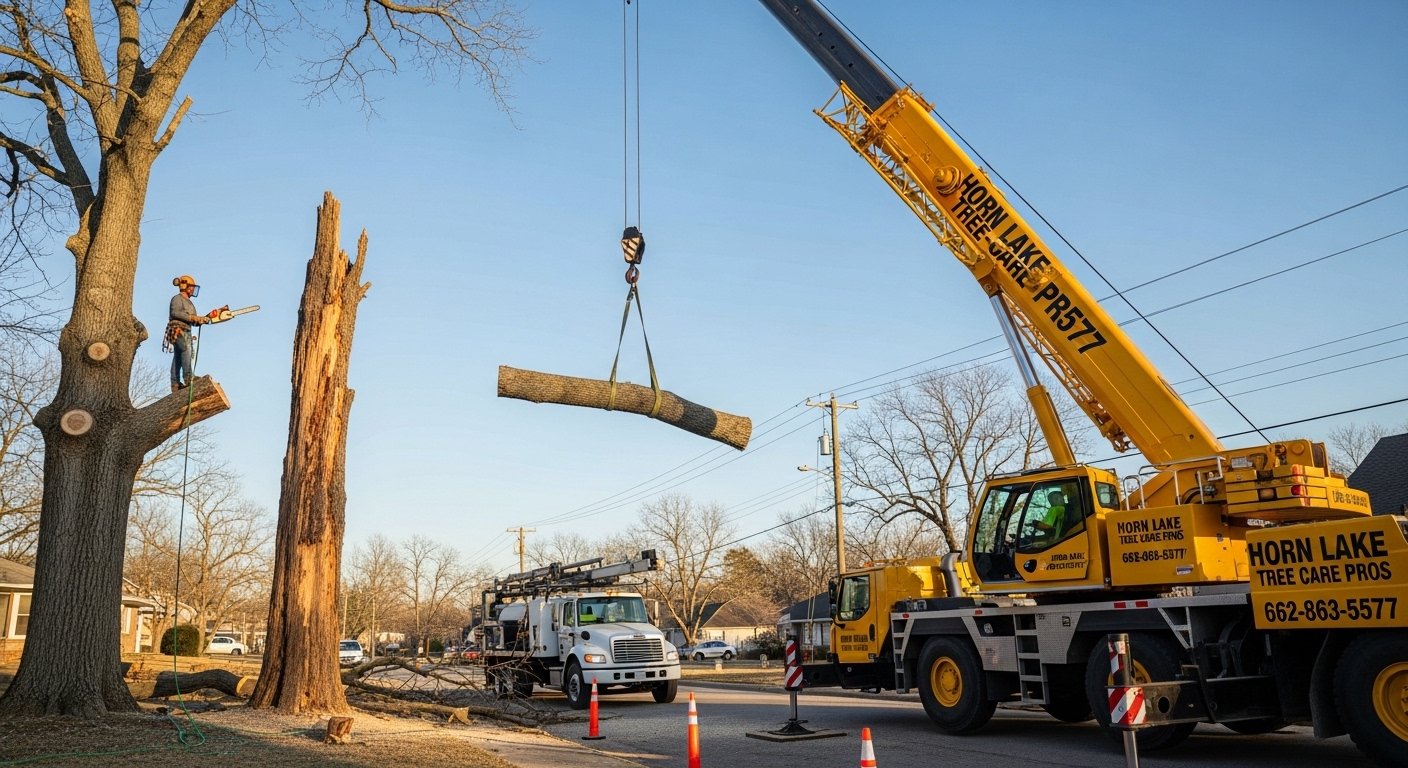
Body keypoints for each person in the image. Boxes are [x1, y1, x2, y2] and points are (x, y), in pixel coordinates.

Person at [165, 274, 212, 393]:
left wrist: (203, 319)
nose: (192, 290)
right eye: (191, 287)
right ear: (185, 285)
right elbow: (175, 313)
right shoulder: (177, 298)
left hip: (187, 330)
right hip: (177, 329)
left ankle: (175, 384)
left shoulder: (190, 304)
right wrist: (193, 317)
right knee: (185, 350)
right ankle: (188, 377)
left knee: (178, 356)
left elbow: (193, 320)